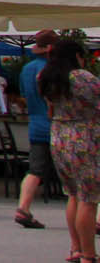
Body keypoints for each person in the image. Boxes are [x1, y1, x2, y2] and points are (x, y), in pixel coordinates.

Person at [42, 35, 100, 263]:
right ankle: (89, 255)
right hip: (84, 139)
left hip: (59, 137)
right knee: (89, 198)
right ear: (76, 56)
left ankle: (75, 248)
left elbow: (49, 110)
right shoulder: (82, 78)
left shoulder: (47, 78)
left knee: (73, 194)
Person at [17, 30, 58, 231]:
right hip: (58, 126)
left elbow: (24, 96)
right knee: (77, 173)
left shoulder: (27, 69)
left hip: (36, 125)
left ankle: (23, 208)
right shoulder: (55, 69)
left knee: (35, 170)